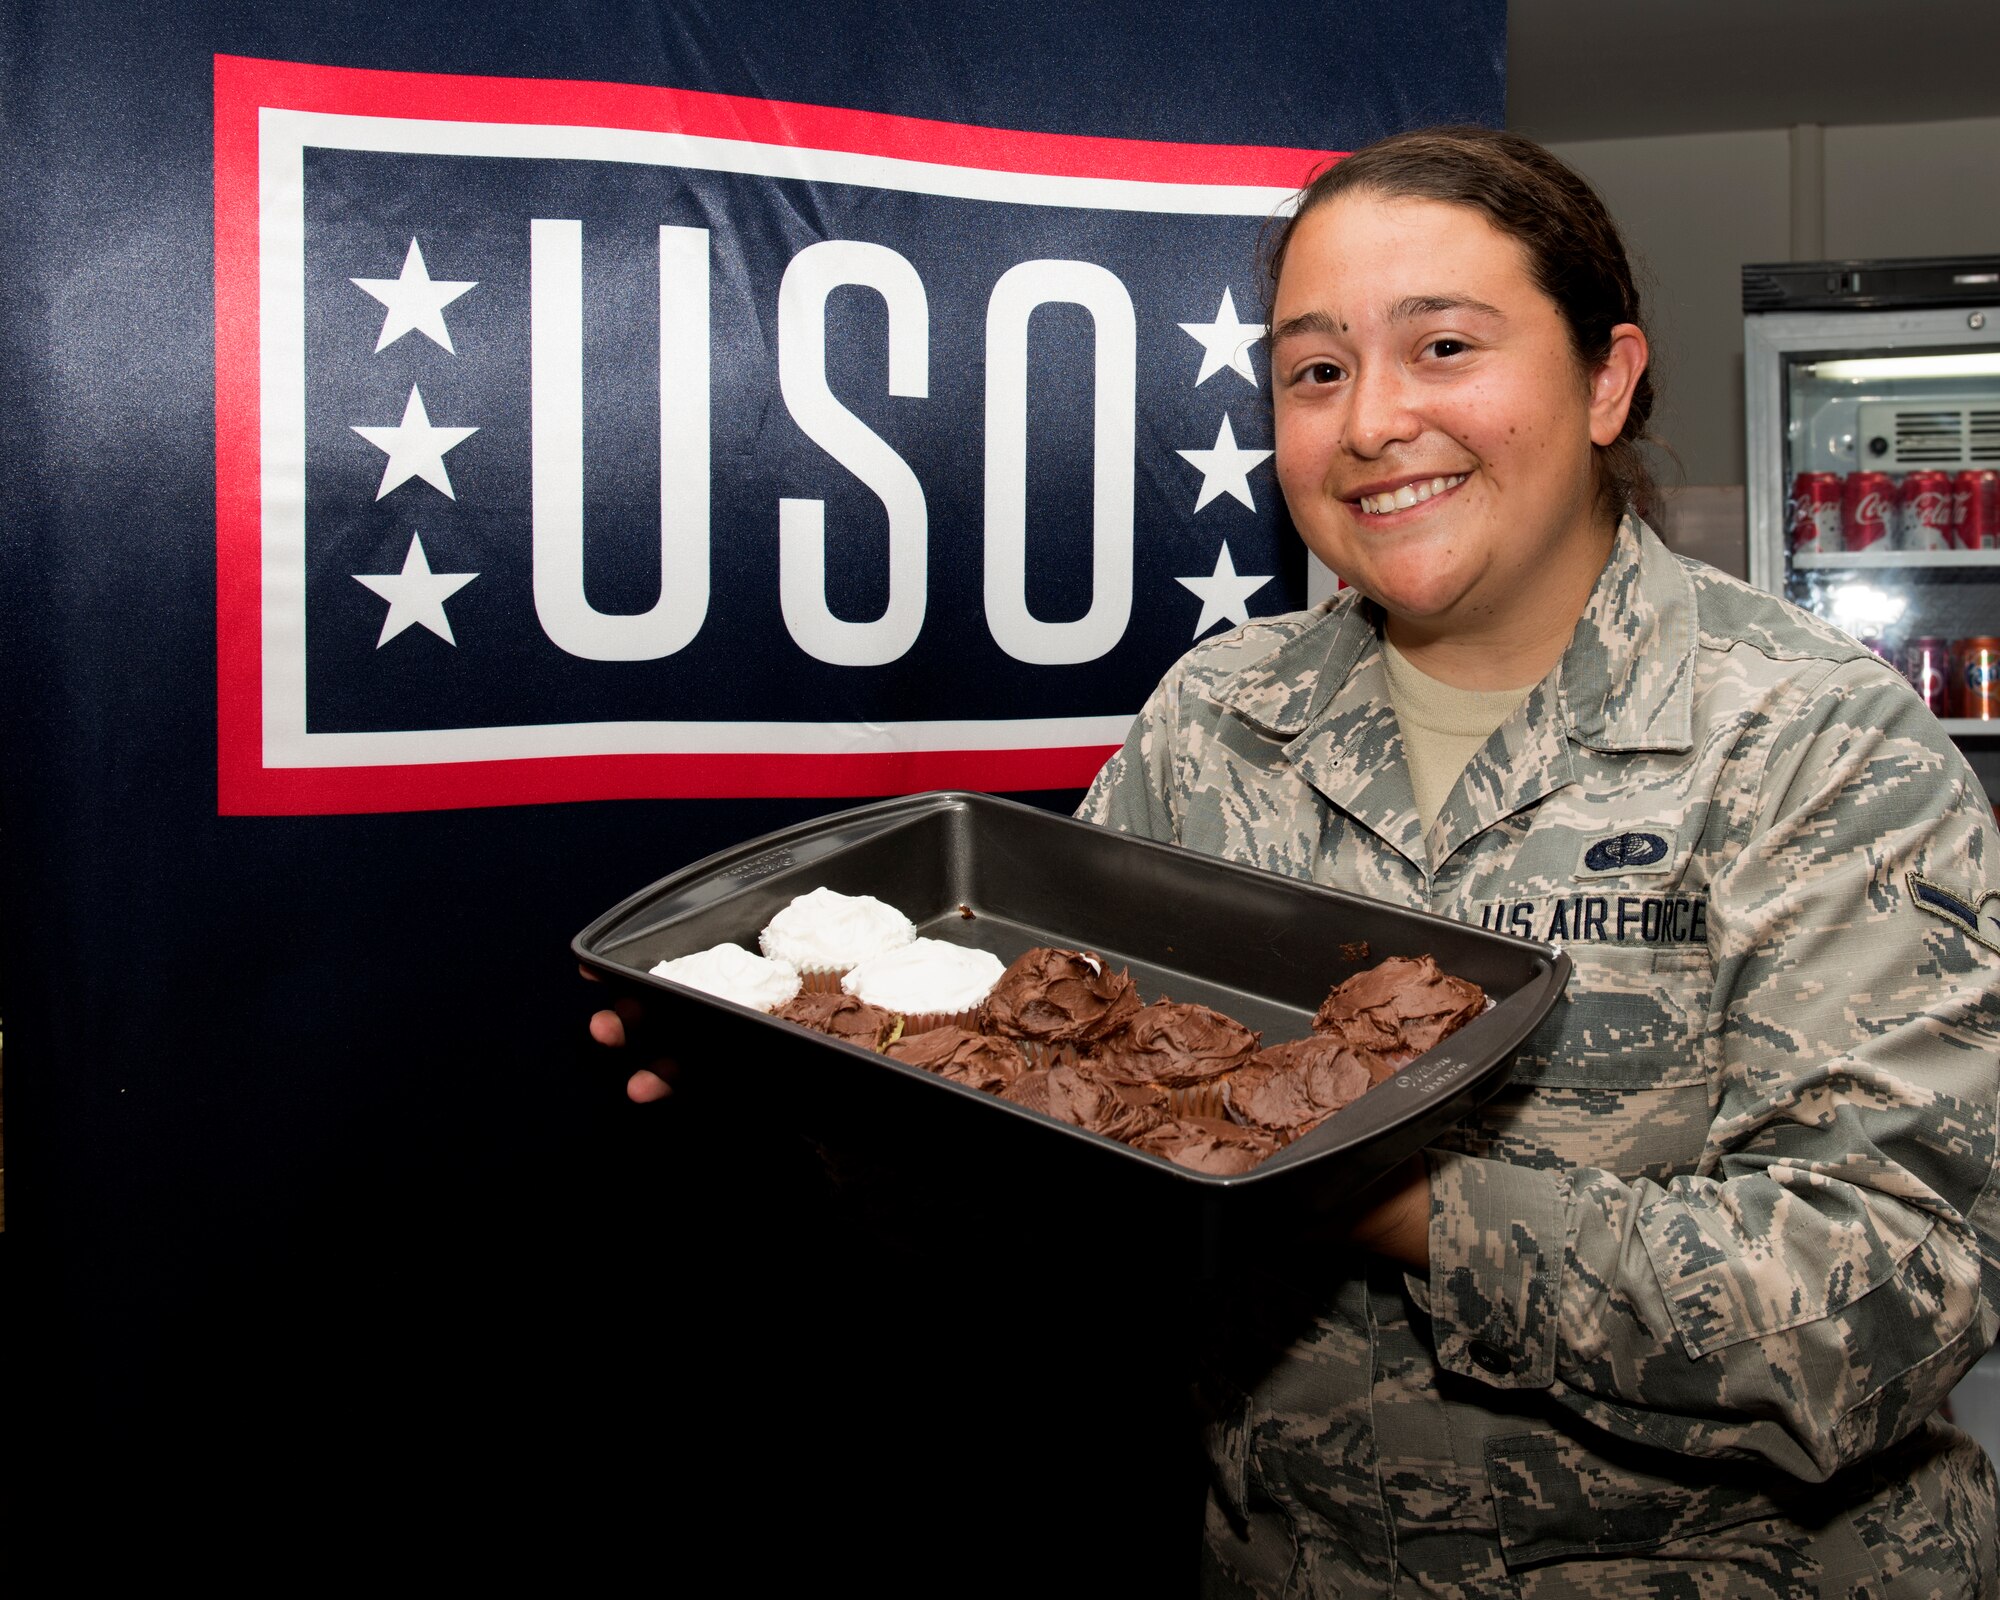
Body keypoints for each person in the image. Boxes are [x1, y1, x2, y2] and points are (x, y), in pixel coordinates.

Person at [597, 126, 2000, 1596]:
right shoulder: (1219, 720)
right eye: (1316, 371)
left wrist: (1365, 1188)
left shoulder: (1814, 746)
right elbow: (1062, 1220)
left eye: (1443, 345)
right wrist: (835, 1082)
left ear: (1607, 378)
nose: (1374, 421)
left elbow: (1887, 1307)